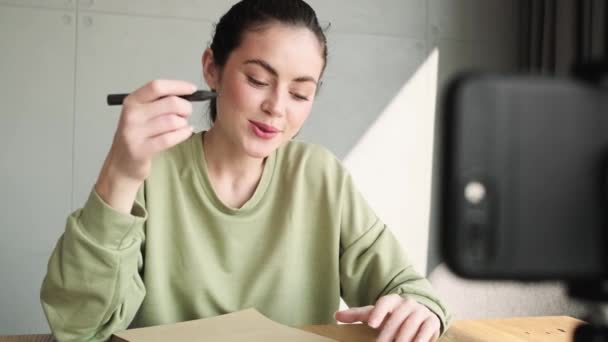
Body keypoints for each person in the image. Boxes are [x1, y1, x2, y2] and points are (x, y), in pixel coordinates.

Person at [40, 0, 450, 341]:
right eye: (257, 79)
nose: (277, 107)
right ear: (212, 69)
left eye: (300, 93)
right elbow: (78, 327)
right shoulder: (152, 170)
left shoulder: (320, 176)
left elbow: (413, 292)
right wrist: (121, 173)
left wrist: (419, 311)